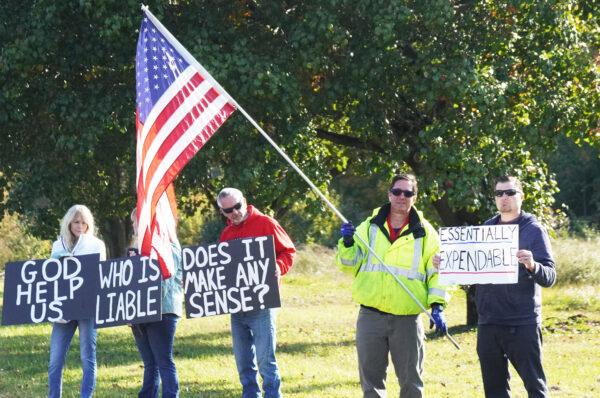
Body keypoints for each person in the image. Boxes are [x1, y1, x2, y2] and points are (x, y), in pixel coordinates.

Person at [337, 173, 449, 398]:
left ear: (414, 198)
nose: (401, 197)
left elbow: (438, 273)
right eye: (397, 192)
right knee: (371, 384)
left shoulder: (427, 233)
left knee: (411, 384)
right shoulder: (369, 227)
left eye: (408, 193)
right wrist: (348, 242)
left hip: (407, 319)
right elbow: (349, 264)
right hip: (370, 317)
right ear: (389, 194)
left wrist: (437, 305)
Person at [474, 176, 556, 397]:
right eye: (499, 193)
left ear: (521, 196)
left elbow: (549, 277)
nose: (504, 198)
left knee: (535, 388)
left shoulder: (533, 230)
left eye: (510, 192)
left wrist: (532, 265)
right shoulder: (485, 229)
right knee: (494, 391)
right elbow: (473, 273)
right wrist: (448, 266)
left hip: (522, 323)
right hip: (488, 322)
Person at [217, 187, 296, 398]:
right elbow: (221, 270)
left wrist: (279, 266)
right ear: (222, 213)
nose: (234, 212)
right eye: (228, 211)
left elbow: (288, 252)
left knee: (265, 361)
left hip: (263, 303)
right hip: (237, 306)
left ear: (244, 200)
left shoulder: (266, 223)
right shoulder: (226, 234)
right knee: (243, 362)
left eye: (237, 206)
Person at [48, 204, 107, 398]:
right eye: (76, 221)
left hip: (87, 308)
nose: (80, 225)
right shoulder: (58, 245)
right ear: (69, 223)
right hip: (63, 309)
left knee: (87, 357)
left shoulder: (97, 245)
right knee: (55, 359)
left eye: (83, 222)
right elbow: (51, 277)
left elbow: (102, 276)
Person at [129, 208, 183, 398]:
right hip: (140, 313)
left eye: (139, 222)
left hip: (164, 311)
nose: (136, 227)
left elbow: (166, 281)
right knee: (150, 363)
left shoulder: (169, 247)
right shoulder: (136, 250)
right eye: (135, 223)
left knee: (163, 361)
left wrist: (147, 306)